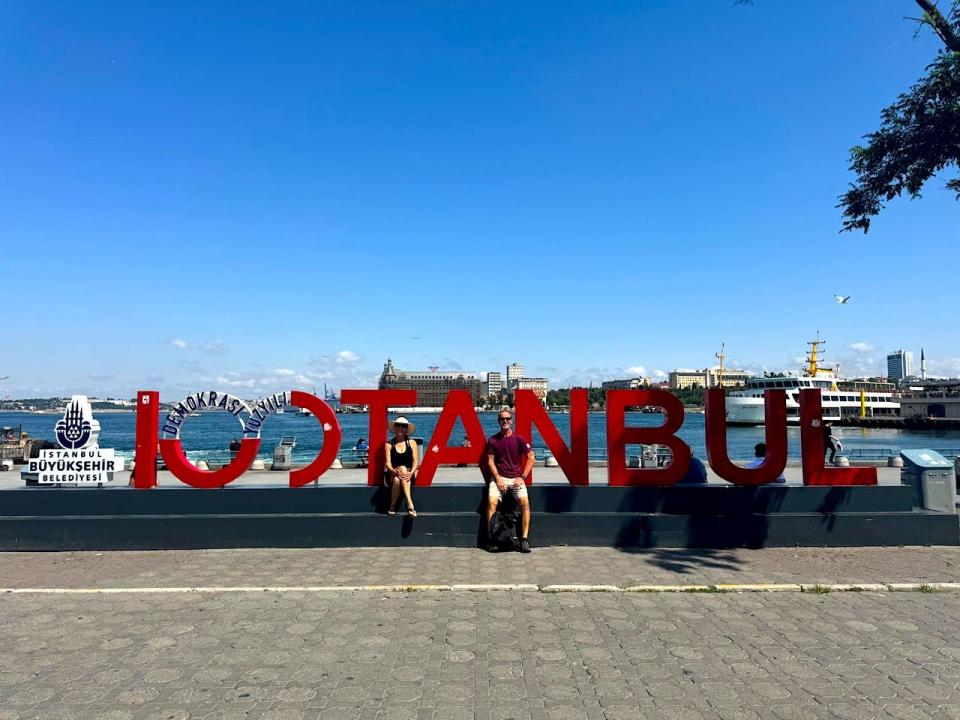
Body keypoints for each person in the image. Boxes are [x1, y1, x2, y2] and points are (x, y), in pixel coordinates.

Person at [485, 408, 535, 553]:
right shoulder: (493, 440)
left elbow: (531, 457)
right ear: (498, 421)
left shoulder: (519, 439)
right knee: (492, 502)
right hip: (499, 478)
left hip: (516, 479)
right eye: (502, 419)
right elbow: (490, 461)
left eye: (507, 419)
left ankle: (524, 540)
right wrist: (498, 478)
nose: (505, 421)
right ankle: (491, 540)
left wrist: (523, 477)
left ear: (511, 421)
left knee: (525, 503)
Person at [384, 416, 419, 517]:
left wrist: (411, 472)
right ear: (394, 428)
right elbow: (388, 463)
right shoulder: (389, 444)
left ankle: (392, 506)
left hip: (408, 473)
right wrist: (393, 471)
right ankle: (409, 504)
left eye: (403, 426)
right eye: (398, 425)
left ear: (406, 429)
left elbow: (416, 462)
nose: (400, 428)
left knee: (397, 480)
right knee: (398, 474)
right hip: (392, 473)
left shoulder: (412, 443)